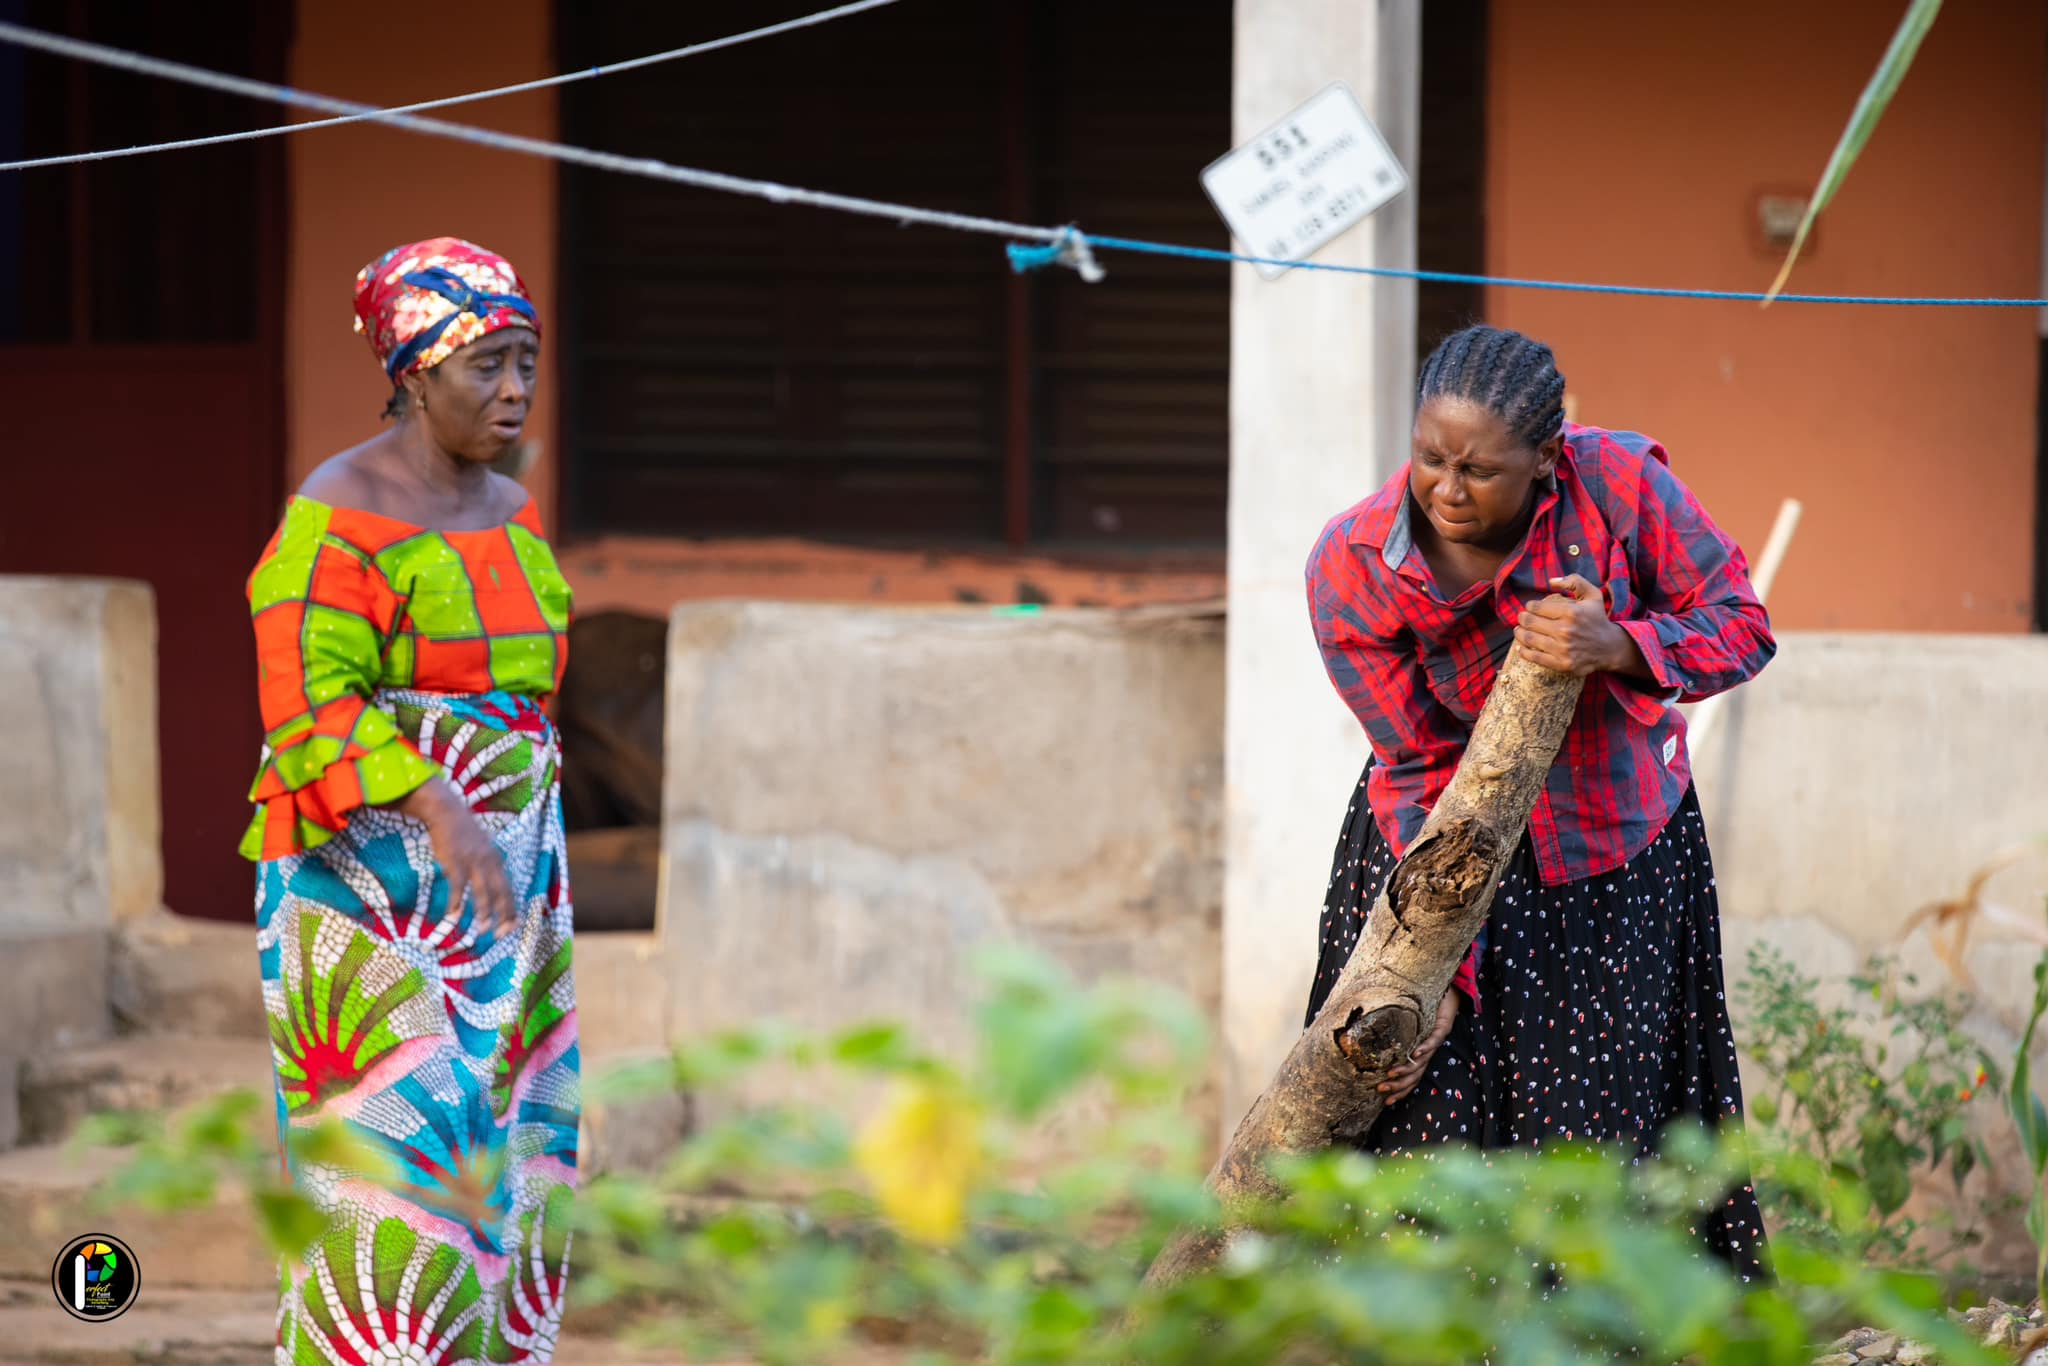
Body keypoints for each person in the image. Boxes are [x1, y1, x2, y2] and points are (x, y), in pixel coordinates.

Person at [1302, 324, 1774, 1280]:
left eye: (1480, 469)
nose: (1445, 488)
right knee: (1421, 1111)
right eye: (1430, 457)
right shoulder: (1352, 565)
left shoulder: (1622, 489)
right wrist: (1433, 967)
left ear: (1548, 461)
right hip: (1433, 843)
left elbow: (1743, 625)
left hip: (1614, 861)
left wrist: (1626, 646)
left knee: (1599, 1134)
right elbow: (1415, 761)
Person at [243, 237, 578, 1360]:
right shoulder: (334, 511)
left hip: (504, 895)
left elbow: (522, 693)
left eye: (525, 362)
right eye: (486, 365)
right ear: (414, 374)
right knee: (389, 1156)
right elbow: (307, 704)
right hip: (373, 902)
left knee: (503, 1160)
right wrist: (439, 803)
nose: (515, 390)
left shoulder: (514, 511)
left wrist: (508, 822)